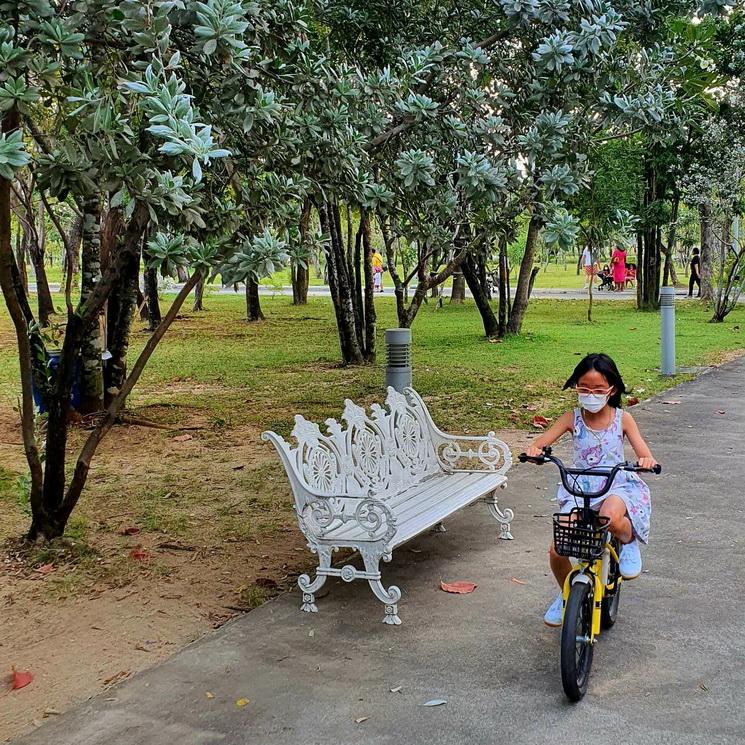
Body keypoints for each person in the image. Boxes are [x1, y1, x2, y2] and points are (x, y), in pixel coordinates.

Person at [523, 353, 658, 627]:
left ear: (613, 389)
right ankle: (566, 595)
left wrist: (646, 462)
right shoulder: (571, 418)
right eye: (584, 388)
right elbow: (541, 442)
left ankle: (629, 542)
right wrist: (535, 452)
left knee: (609, 517)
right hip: (580, 487)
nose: (591, 395)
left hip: (616, 483)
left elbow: (644, 453)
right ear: (575, 387)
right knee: (558, 549)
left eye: (598, 390)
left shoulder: (623, 419)